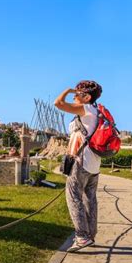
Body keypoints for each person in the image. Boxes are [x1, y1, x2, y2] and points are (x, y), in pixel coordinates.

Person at [54, 80, 102, 252]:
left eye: (77, 93)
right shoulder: (92, 112)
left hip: (81, 162)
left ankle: (82, 237)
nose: (74, 95)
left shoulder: (86, 109)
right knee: (90, 200)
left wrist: (66, 89)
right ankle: (90, 235)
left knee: (73, 197)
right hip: (93, 164)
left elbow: (58, 103)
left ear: (87, 97)